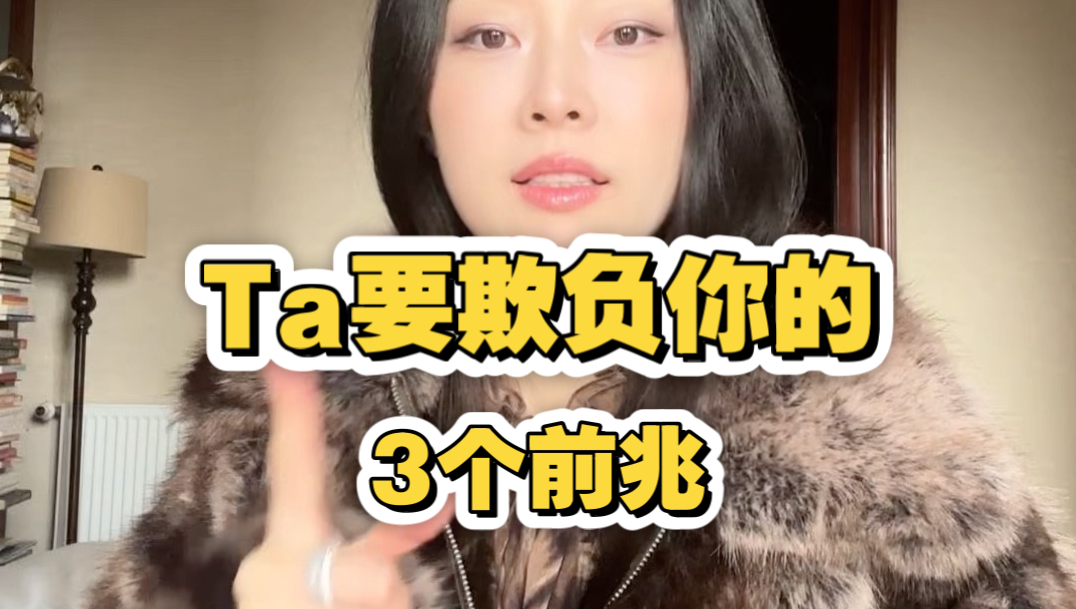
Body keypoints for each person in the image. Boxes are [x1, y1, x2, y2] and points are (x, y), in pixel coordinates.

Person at [85, 0, 1076, 607]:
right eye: (488, 35)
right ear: (419, 102)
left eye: (628, 31)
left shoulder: (872, 411)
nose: (555, 97)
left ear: (701, 89)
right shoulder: (283, 399)